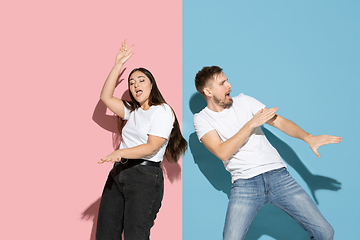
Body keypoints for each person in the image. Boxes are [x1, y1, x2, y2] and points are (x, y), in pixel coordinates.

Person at [193, 66, 342, 240]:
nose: (229, 85)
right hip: (245, 185)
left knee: (325, 232)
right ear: (208, 91)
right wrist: (250, 124)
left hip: (279, 177)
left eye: (227, 80)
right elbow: (222, 152)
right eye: (223, 83)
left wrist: (308, 137)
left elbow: (280, 122)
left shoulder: (245, 101)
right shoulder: (202, 119)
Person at [96, 40, 187, 240]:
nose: (135, 84)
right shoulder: (132, 111)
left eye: (141, 80)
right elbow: (105, 97)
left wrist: (120, 152)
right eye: (131, 82)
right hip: (118, 174)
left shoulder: (162, 110)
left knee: (135, 235)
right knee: (105, 234)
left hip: (144, 176)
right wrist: (118, 64)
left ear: (152, 84)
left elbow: (152, 146)